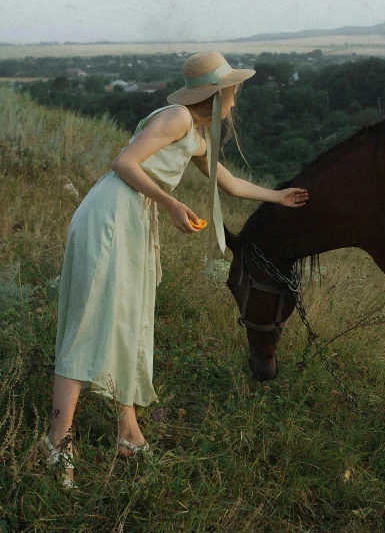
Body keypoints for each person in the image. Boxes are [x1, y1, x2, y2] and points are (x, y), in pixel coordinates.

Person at [40, 50, 309, 489]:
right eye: (233, 93)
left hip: (131, 217)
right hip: (111, 215)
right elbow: (123, 163)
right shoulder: (178, 118)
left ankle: (128, 433)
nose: (236, 101)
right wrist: (169, 203)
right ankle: (57, 440)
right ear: (217, 94)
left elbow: (230, 183)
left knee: (128, 321)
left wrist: (278, 197)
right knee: (89, 322)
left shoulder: (198, 135)